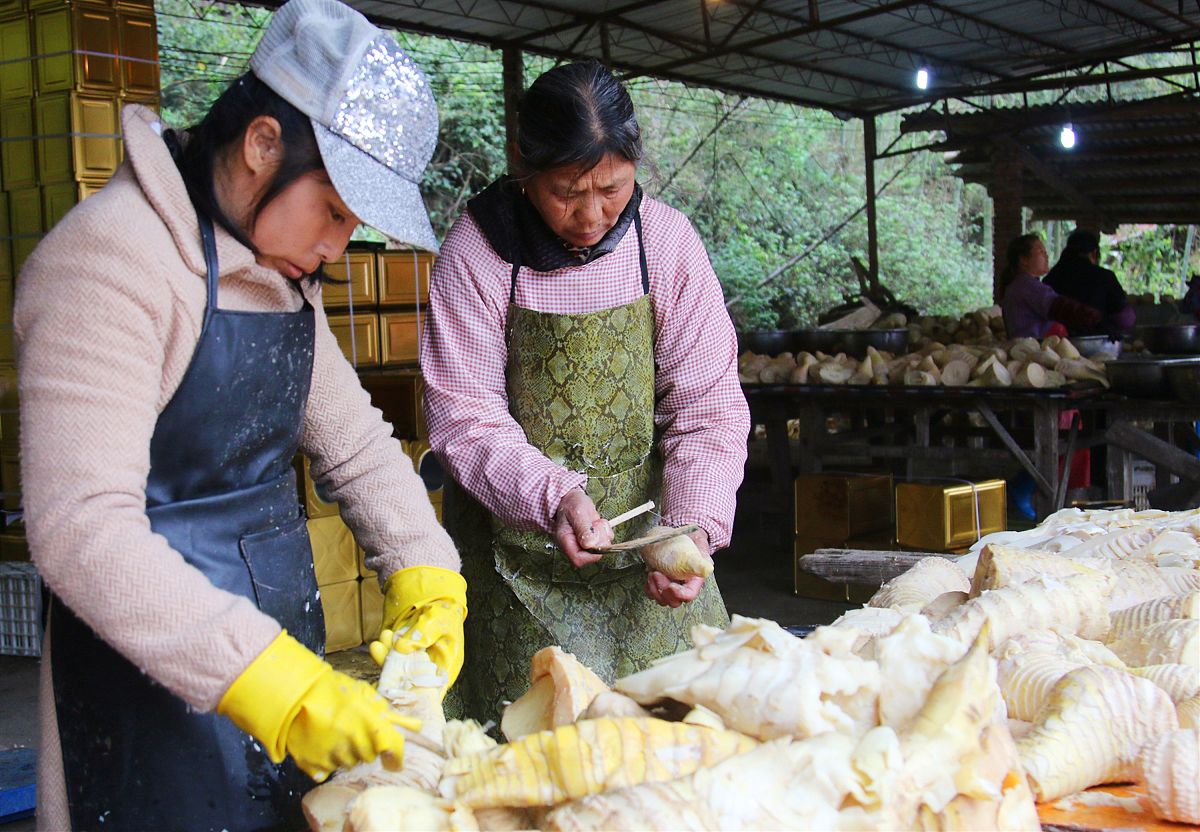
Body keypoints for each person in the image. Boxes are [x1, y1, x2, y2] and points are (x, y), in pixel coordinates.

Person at [15, 0, 467, 828]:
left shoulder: (279, 270)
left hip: (277, 663)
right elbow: (81, 528)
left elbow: (357, 446)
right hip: (142, 694)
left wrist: (426, 567)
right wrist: (272, 681)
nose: (336, 246)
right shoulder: (107, 263)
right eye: (332, 210)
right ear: (263, 145)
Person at [420, 60, 749, 721]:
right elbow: (465, 417)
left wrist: (689, 531)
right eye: (567, 191)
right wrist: (552, 493)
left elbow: (708, 406)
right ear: (523, 165)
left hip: (647, 569)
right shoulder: (477, 252)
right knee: (530, 767)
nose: (591, 215)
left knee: (677, 752)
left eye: (613, 188)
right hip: (517, 574)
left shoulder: (666, 243)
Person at [998, 233, 1102, 339]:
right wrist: (1094, 318)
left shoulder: (1016, 284)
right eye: (1041, 252)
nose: (1046, 256)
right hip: (1033, 348)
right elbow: (1058, 306)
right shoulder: (1026, 285)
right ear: (1024, 260)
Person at [1044, 228, 1136, 336]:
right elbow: (1125, 320)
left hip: (1056, 346)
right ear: (1094, 253)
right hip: (1097, 344)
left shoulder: (1050, 278)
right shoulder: (1105, 277)